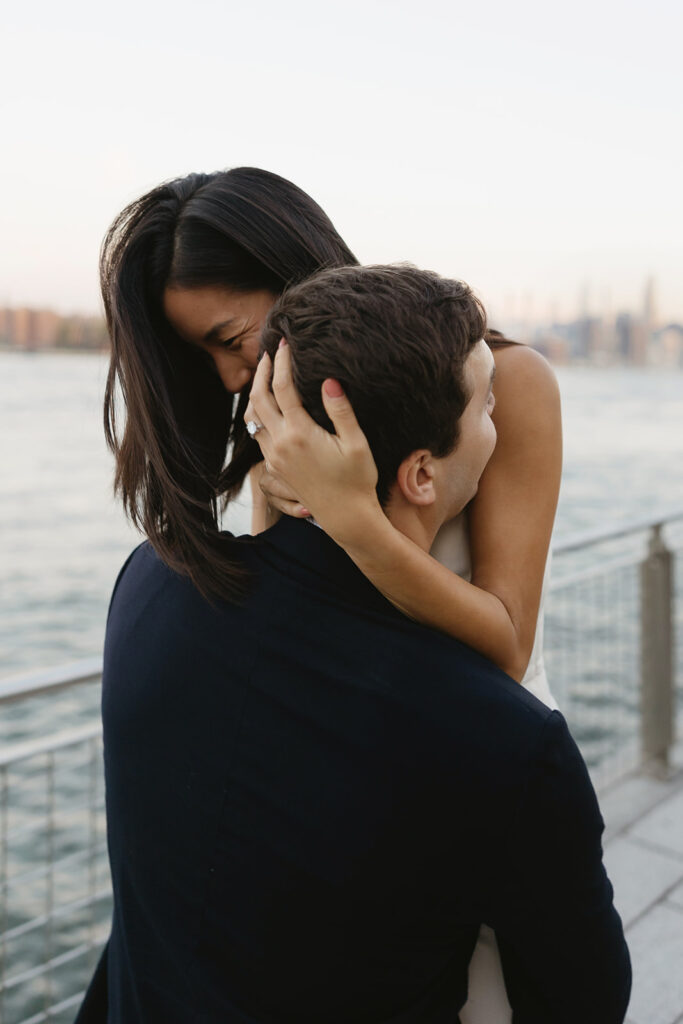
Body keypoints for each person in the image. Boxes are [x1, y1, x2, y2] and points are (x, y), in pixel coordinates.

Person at [78, 264, 630, 1023]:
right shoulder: (516, 750)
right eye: (485, 411)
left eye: (237, 340)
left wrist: (346, 516)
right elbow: (585, 1001)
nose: (238, 376)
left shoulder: (146, 581)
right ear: (423, 473)